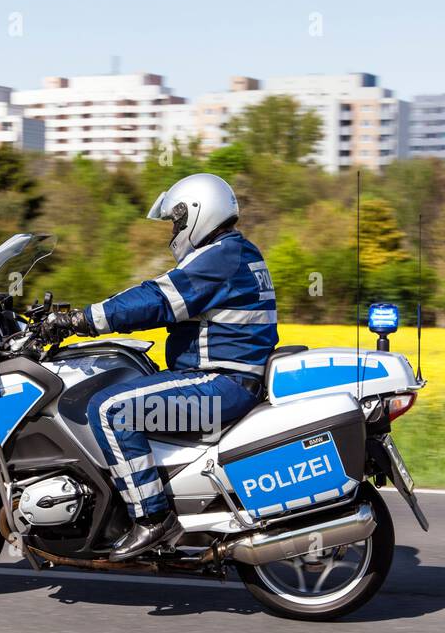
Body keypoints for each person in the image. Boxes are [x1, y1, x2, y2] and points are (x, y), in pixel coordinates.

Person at [46, 173, 277, 561]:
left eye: (176, 221)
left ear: (196, 214)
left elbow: (156, 300)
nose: (173, 231)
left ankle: (153, 519)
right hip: (228, 378)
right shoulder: (235, 251)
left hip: (220, 385)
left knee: (111, 410)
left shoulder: (219, 257)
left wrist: (79, 321)